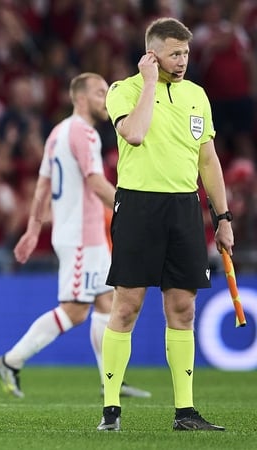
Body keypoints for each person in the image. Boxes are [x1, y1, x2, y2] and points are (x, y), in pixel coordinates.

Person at [97, 18, 233, 432]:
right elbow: (135, 135)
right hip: (138, 206)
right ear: (153, 55)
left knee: (183, 308)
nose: (183, 61)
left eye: (186, 53)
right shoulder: (124, 90)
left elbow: (207, 160)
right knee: (128, 306)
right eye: (175, 53)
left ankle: (185, 412)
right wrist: (150, 82)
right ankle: (111, 410)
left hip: (183, 209)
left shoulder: (197, 95)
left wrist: (223, 217)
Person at [0, 73, 151, 400]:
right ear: (79, 97)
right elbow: (95, 182)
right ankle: (11, 361)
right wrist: (132, 209)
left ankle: (111, 380)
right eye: (99, 92)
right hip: (81, 235)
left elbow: (42, 186)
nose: (105, 98)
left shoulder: (57, 133)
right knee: (75, 310)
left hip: (81, 233)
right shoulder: (85, 134)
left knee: (107, 302)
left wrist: (33, 230)